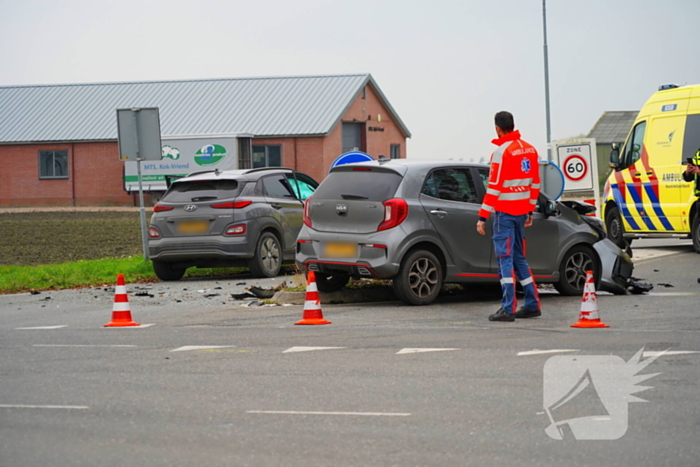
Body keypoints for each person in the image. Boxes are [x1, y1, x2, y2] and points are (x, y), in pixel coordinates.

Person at [476, 111, 541, 322]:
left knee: (504, 259)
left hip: (504, 213)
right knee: (519, 257)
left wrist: (482, 217)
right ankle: (531, 304)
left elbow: (494, 188)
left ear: (497, 128)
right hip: (522, 212)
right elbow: (535, 183)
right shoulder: (530, 150)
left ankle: (508, 308)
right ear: (513, 125)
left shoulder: (501, 152)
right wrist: (530, 209)